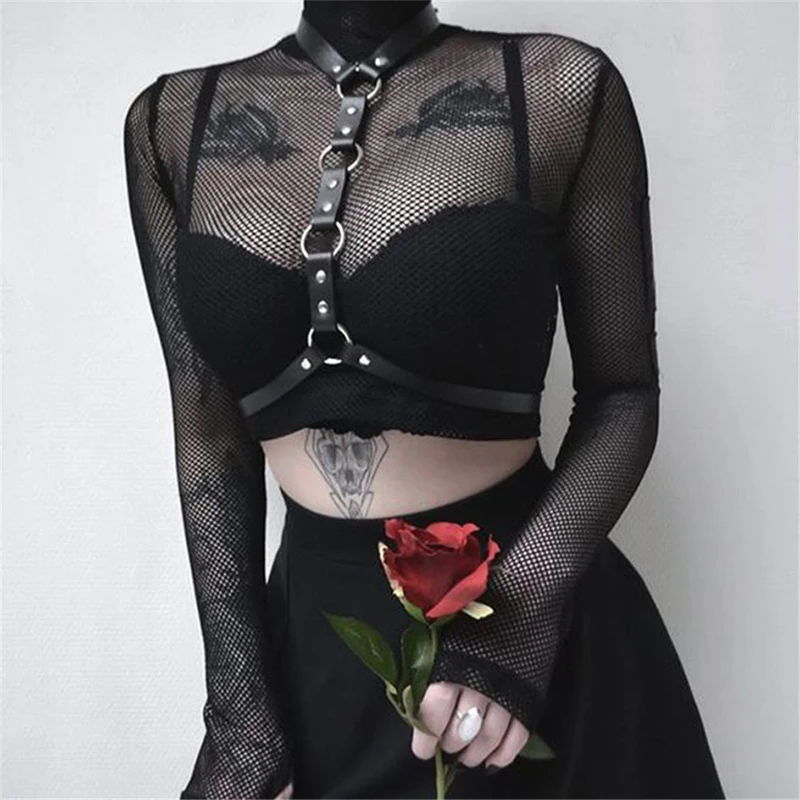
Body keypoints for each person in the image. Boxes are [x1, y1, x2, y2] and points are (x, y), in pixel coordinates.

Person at [123, 2, 726, 797]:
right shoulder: (172, 121)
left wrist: (520, 618)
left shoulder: (559, 87)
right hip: (316, 654)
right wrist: (239, 712)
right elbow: (208, 428)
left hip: (532, 634)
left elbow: (623, 395)